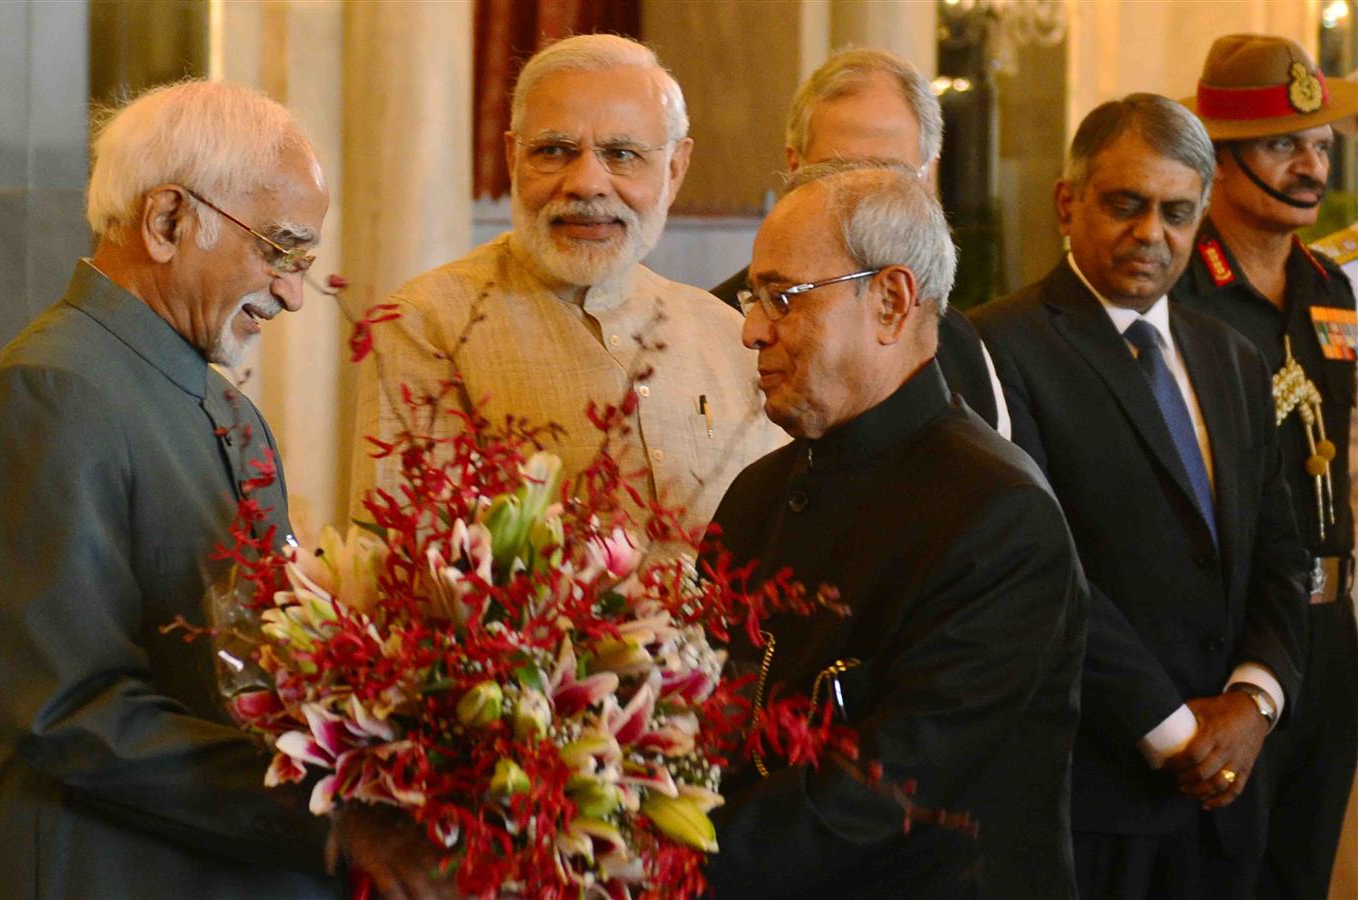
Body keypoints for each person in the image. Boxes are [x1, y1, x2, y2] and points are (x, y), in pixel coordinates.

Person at [0, 81, 337, 898]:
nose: (294, 291)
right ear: (168, 222)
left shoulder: (223, 404)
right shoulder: (46, 390)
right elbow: (69, 712)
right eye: (282, 249)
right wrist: (325, 813)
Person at [704, 165, 1086, 899]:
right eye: (756, 299)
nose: (752, 329)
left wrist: (670, 863)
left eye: (781, 297)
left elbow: (885, 787)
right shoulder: (757, 494)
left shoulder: (1000, 516)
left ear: (888, 301)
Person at [970, 94, 1309, 899]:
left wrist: (1254, 702)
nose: (1152, 233)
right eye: (1127, 204)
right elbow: (1042, 571)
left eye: (1176, 212)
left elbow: (1281, 551)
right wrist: (1176, 730)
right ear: (1067, 200)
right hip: (1096, 792)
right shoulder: (997, 347)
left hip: (1229, 795)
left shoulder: (1231, 355)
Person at [351, 34, 780, 535]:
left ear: (675, 168)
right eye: (553, 151)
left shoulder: (732, 335)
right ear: (513, 159)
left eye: (621, 154)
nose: (587, 184)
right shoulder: (428, 326)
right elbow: (405, 567)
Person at [1169, 34, 1358, 899]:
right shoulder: (1177, 292)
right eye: (1283, 144)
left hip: (1327, 633)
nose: (1310, 165)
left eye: (1320, 145)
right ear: (1220, 158)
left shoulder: (1330, 287)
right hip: (1224, 637)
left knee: (1304, 869)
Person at [709, 48, 1011, 437]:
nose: (866, 197)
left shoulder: (961, 344)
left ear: (930, 175)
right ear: (794, 168)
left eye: (890, 173)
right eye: (838, 172)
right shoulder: (718, 330)